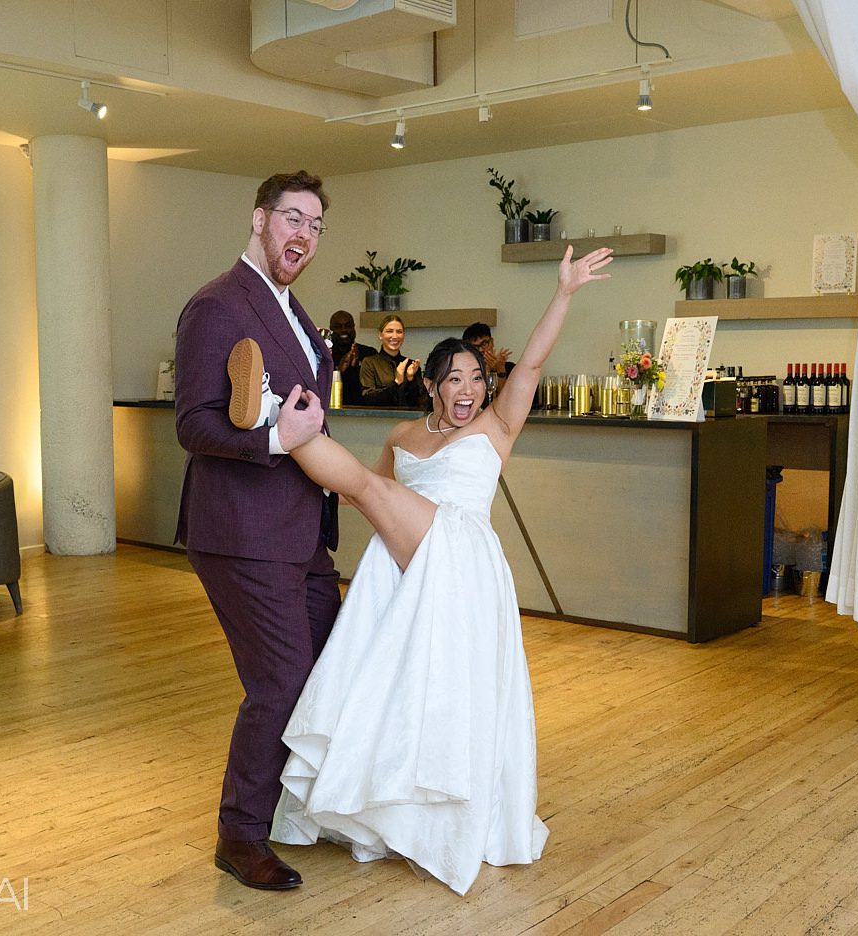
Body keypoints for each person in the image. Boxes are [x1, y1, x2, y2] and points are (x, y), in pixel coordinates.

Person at [227, 244, 613, 895]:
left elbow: (537, 360)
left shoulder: (497, 427)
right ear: (431, 385)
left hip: (461, 555)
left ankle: (274, 415)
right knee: (395, 676)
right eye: (454, 379)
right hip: (405, 563)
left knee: (377, 495)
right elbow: (361, 495)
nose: (469, 390)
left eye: (476, 378)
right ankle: (281, 422)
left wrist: (566, 292)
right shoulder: (404, 437)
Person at [173, 169, 342, 892]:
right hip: (242, 533)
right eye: (292, 219)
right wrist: (278, 442)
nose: (302, 235)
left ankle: (294, 809)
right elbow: (193, 423)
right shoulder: (217, 304)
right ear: (259, 219)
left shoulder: (295, 312)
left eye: (315, 226)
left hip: (303, 531)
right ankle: (239, 836)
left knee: (327, 670)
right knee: (278, 682)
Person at [359, 313, 425, 407]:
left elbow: (419, 402)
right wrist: (396, 382)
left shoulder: (411, 365)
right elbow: (368, 399)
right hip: (379, 420)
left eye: (399, 332)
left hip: (408, 420)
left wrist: (410, 379)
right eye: (389, 331)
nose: (394, 336)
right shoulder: (369, 363)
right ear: (380, 335)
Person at [328, 309, 376, 406]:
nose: (343, 330)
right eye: (338, 327)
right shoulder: (324, 355)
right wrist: (339, 371)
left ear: (354, 328)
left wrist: (356, 367)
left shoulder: (369, 353)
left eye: (348, 325)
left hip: (364, 414)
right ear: (330, 330)